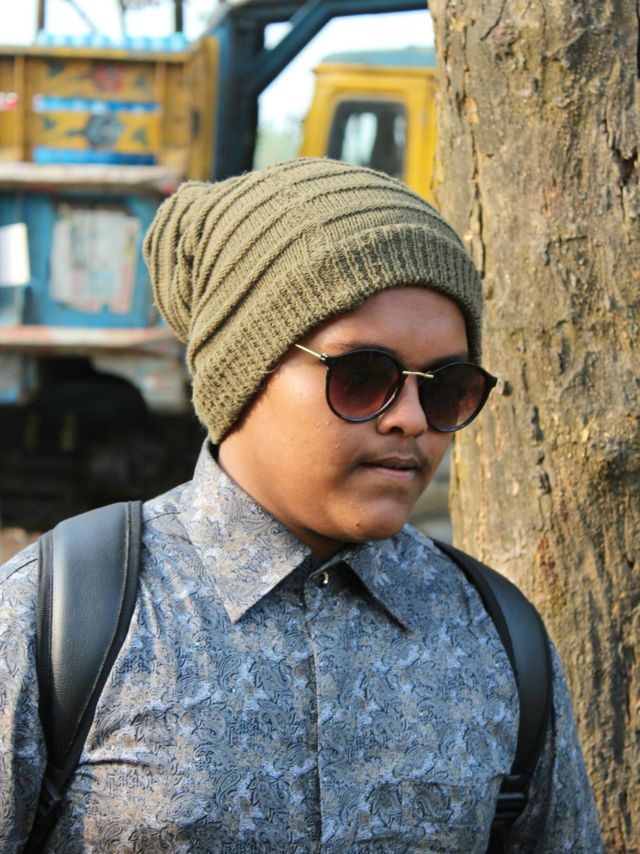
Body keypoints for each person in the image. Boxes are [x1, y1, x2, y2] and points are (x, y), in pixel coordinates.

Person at [0, 158, 601, 852]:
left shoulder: (500, 638)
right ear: (244, 371)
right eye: (363, 375)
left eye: (446, 387)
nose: (411, 418)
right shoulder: (61, 620)